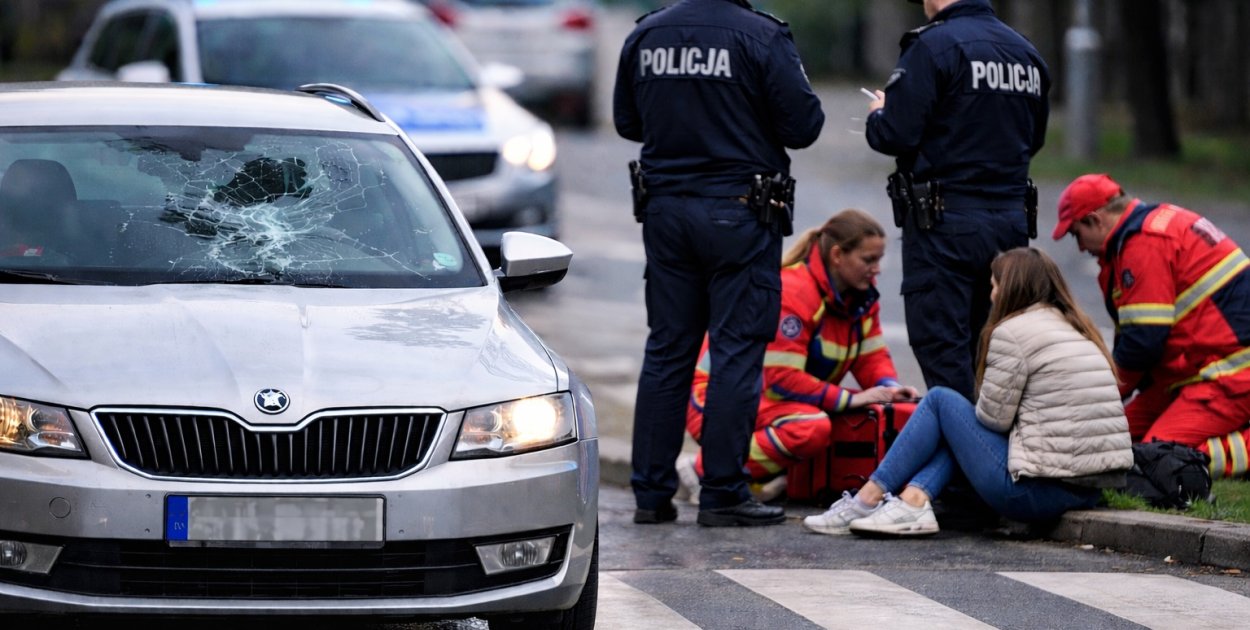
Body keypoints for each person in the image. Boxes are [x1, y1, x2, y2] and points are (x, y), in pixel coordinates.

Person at [613, 0, 825, 527]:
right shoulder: (762, 36)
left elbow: (626, 122)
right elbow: (803, 125)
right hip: (741, 214)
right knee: (735, 351)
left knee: (667, 348)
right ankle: (724, 492)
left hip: (666, 211)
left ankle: (651, 493)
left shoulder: (648, 34)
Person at [802, 247, 1133, 536]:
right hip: (1088, 489)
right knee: (957, 426)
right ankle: (913, 500)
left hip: (1035, 493)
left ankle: (867, 498)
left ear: (1009, 289)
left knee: (940, 402)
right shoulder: (1078, 328)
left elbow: (993, 421)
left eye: (993, 285)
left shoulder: (1012, 332)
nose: (990, 295)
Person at [864, 0, 1050, 402]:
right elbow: (1034, 139)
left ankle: (968, 460)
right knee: (996, 353)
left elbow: (895, 134)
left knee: (945, 356)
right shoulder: (1026, 52)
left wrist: (880, 113)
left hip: (944, 226)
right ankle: (987, 454)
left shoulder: (933, 46)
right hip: (1011, 225)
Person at [680, 210, 919, 504]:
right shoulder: (795, 290)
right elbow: (782, 379)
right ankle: (704, 472)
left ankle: (769, 477)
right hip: (715, 402)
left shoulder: (860, 296)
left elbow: (871, 356)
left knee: (863, 413)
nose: (877, 270)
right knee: (810, 428)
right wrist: (849, 398)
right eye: (868, 260)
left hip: (769, 398)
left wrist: (889, 388)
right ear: (837, 255)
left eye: (878, 260)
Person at [1053, 173, 1250, 479]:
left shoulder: (1145, 242)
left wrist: (1103, 394)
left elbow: (1142, 343)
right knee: (1113, 438)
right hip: (1194, 371)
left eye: (1076, 234)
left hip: (1229, 376)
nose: (1079, 247)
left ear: (1095, 220)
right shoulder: (1145, 231)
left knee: (1155, 459)